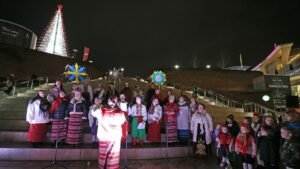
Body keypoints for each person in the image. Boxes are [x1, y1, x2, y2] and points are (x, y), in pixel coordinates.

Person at [91, 96, 126, 169]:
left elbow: (93, 112)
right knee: (112, 157)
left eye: (113, 101)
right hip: (112, 137)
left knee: (104, 156)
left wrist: (98, 105)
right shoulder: (118, 112)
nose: (112, 103)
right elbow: (123, 120)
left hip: (106, 137)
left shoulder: (102, 110)